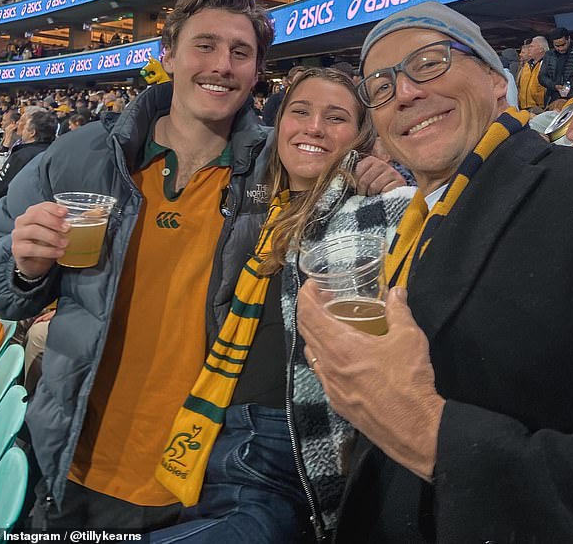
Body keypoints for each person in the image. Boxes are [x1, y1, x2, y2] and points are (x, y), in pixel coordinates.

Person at [297, 1, 573, 543]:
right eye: (380, 87)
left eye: (429, 63)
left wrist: (427, 432)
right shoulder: (403, 228)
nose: (404, 92)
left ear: (497, 81)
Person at [0, 0, 275, 531]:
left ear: (257, 71)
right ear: (167, 54)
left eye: (241, 52)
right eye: (205, 45)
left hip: (204, 479)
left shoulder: (277, 169)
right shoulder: (82, 154)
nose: (222, 65)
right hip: (73, 461)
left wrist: (371, 174)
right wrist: (23, 267)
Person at [150, 68, 409, 543]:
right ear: (279, 124)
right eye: (301, 112)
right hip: (206, 425)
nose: (314, 127)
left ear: (361, 137)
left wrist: (390, 184)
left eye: (336, 118)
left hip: (284, 444)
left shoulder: (375, 207)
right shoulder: (254, 204)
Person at [0, 110, 57, 204]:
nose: (19, 125)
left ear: (32, 132)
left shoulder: (22, 156)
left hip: (16, 205)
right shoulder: (54, 151)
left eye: (25, 127)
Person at [538, 26, 573, 103]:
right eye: (557, 46)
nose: (561, 48)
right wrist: (553, 86)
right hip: (554, 97)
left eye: (563, 44)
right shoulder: (549, 55)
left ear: (568, 39)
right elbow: (542, 77)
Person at [517, 35, 548, 110]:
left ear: (541, 49)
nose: (529, 49)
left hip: (539, 108)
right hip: (523, 107)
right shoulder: (526, 65)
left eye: (532, 46)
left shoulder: (547, 64)